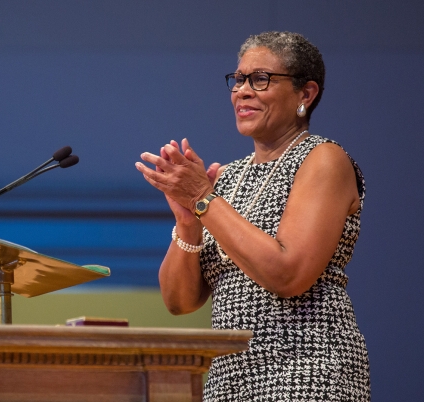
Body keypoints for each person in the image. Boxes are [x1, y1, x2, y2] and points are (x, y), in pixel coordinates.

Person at [135, 31, 371, 401]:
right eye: (239, 79)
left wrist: (201, 197)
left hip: (307, 373)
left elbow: (287, 273)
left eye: (260, 79)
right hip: (231, 380)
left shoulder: (323, 159)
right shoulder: (226, 178)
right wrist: (188, 222)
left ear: (305, 94)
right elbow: (179, 301)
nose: (243, 91)